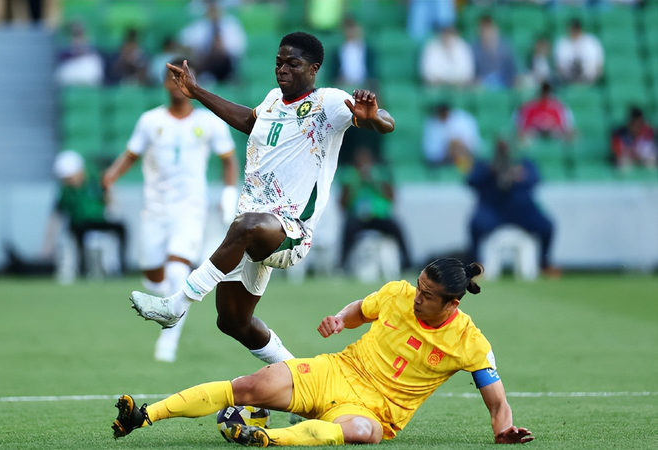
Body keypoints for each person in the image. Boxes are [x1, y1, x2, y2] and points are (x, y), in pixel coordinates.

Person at [129, 31, 395, 366]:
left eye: (293, 64)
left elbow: (387, 122)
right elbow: (248, 120)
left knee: (247, 225)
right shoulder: (272, 100)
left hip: (290, 231)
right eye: (279, 62)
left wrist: (374, 118)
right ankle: (300, 377)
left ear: (313, 69)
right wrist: (196, 92)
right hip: (254, 227)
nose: (282, 69)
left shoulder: (328, 102)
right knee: (232, 321)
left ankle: (176, 305)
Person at [111, 258, 534, 446]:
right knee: (249, 387)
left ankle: (267, 438)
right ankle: (144, 416)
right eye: (419, 286)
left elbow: (497, 402)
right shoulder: (398, 294)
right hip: (336, 372)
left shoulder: (470, 342)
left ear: (452, 304)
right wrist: (340, 319)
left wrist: (503, 430)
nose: (417, 297)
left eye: (427, 295)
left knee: (365, 434)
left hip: (376, 411)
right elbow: (361, 309)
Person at [102, 57, 240, 363]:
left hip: (190, 208)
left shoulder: (209, 122)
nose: (177, 85)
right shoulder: (150, 121)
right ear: (164, 84)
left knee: (178, 269)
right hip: (154, 210)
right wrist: (111, 176)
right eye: (172, 79)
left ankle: (168, 341)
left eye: (183, 78)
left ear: (193, 82)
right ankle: (169, 301)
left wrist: (229, 195)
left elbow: (229, 159)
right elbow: (131, 154)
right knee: (153, 276)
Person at [467, 139, 560, 278]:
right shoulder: (485, 164)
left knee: (547, 226)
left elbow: (536, 180)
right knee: (476, 225)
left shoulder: (524, 163)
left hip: (522, 211)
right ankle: (475, 264)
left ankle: (544, 263)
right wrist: (490, 172)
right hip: (493, 209)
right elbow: (470, 181)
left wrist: (520, 175)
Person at [42, 150, 127, 279]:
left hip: (99, 221)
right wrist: (47, 246)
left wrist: (109, 194)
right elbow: (58, 215)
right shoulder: (66, 192)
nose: (68, 181)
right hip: (80, 225)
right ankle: (83, 269)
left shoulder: (95, 181)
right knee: (78, 232)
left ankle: (121, 267)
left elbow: (110, 202)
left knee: (121, 228)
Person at [338, 146, 411, 272]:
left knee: (396, 228)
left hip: (379, 216)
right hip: (359, 217)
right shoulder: (351, 175)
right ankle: (342, 264)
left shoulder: (380, 174)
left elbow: (392, 197)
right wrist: (356, 183)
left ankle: (407, 262)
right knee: (348, 229)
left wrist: (375, 182)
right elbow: (343, 202)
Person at [178, 0, 246, 84]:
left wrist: (220, 48)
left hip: (225, 64)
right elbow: (183, 43)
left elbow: (238, 49)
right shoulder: (198, 26)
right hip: (203, 63)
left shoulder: (232, 24)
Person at [422, 102, 481, 172]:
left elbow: (472, 141)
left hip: (464, 152)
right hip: (441, 158)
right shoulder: (431, 123)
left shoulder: (462, 119)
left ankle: (465, 167)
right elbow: (431, 151)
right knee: (454, 145)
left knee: (456, 144)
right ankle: (465, 167)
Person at [328, 16, 378, 92]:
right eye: (348, 29)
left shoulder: (369, 51)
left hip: (365, 87)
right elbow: (332, 75)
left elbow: (373, 73)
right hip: (343, 87)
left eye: (353, 28)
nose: (351, 32)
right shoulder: (336, 52)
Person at [472, 15, 517, 90]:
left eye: (489, 29)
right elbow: (473, 73)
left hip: (505, 83)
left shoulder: (505, 48)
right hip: (482, 85)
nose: (487, 33)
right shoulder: (474, 50)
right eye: (484, 30)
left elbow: (513, 70)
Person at [554, 18, 604, 84]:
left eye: (576, 29)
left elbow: (599, 66)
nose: (574, 32)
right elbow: (558, 67)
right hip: (567, 80)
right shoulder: (562, 43)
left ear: (580, 29)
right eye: (572, 30)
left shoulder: (591, 42)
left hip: (589, 80)